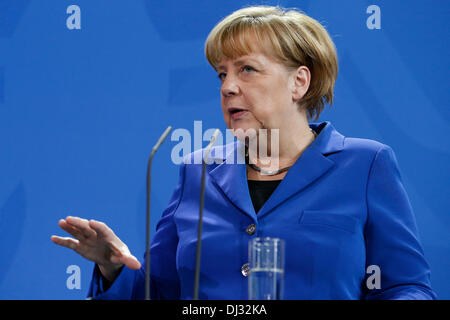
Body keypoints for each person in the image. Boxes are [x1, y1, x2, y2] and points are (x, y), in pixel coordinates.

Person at [51, 5, 436, 300]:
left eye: (247, 70)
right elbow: (160, 290)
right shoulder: (197, 171)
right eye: (222, 74)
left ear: (299, 82)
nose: (228, 87)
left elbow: (407, 286)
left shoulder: (365, 164)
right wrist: (112, 266)